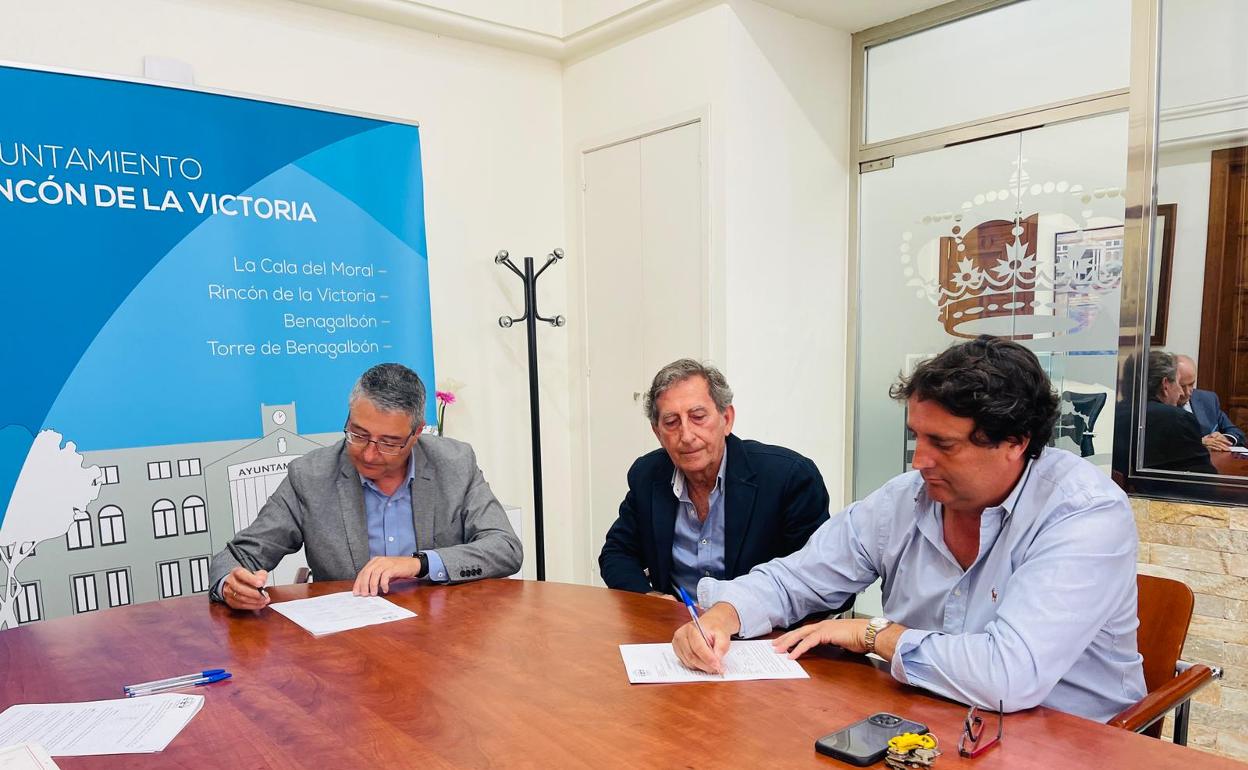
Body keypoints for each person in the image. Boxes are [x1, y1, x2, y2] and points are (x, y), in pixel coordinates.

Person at [672, 336, 1146, 723]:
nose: (920, 461)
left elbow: (1009, 677)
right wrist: (726, 614)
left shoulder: (1084, 513)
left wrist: (874, 634)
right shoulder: (904, 499)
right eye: (916, 436)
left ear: (1015, 443)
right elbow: (795, 578)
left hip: (1070, 736)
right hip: (926, 718)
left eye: (943, 443)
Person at [209, 363, 522, 609]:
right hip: (349, 640)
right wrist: (231, 585)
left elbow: (505, 548)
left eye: (389, 443)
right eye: (358, 434)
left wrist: (419, 563)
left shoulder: (454, 463)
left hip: (441, 631)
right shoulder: (311, 476)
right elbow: (240, 555)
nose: (369, 454)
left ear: (416, 434)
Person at [598, 359, 830, 600]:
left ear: (726, 419)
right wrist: (650, 599)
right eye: (671, 422)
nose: (686, 436)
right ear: (658, 433)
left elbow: (820, 580)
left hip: (760, 621)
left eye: (698, 417)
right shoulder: (648, 475)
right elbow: (617, 552)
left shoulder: (788, 478)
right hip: (675, 621)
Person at [1176, 354, 1246, 451]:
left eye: (1191, 384)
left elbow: (1237, 433)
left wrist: (1224, 438)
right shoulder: (1160, 404)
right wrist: (1199, 443)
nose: (1187, 392)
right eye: (1182, 386)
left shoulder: (1208, 399)